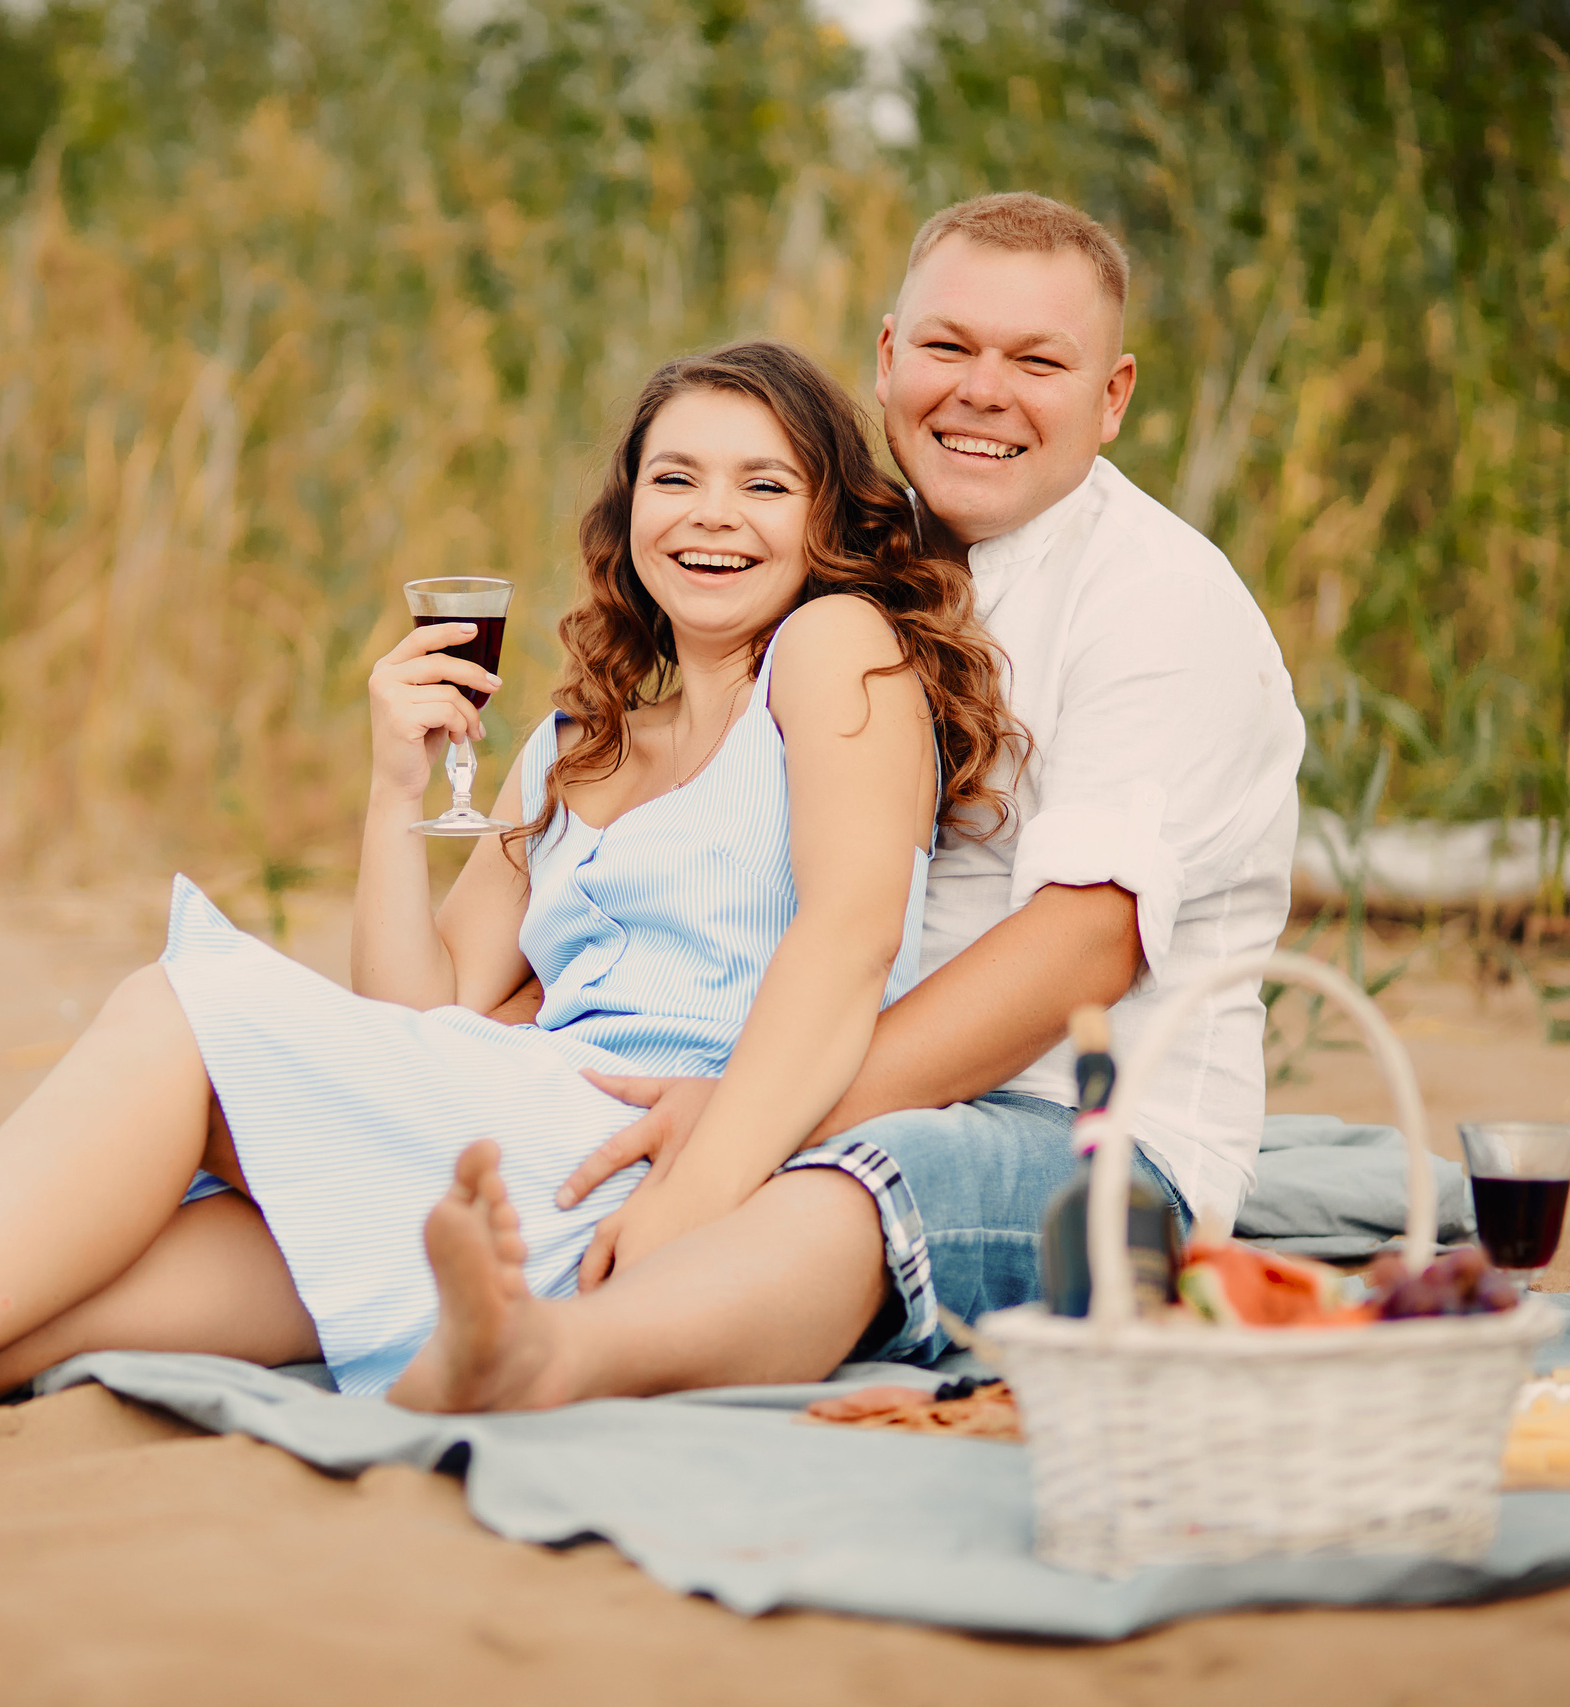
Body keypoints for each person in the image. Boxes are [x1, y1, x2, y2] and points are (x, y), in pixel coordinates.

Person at [0, 339, 1026, 1424]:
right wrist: (390, 790)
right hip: (491, 1118)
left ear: (826, 520)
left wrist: (693, 1197)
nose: (712, 515)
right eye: (675, 475)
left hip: (632, 1156)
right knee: (56, 1302)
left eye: (762, 482)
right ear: (625, 512)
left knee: (182, 1005)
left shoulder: (839, 647)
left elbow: (844, 935)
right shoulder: (578, 748)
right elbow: (412, 1011)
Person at [555, 191, 1305, 1366]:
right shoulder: (850, 555)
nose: (982, 392)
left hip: (1084, 1125)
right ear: (889, 357)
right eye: (948, 348)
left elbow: (1084, 947)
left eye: (1037, 362)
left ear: (1112, 398)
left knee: (853, 1186)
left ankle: (564, 1360)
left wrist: (754, 1126)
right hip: (804, 1068)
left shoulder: (1159, 602)